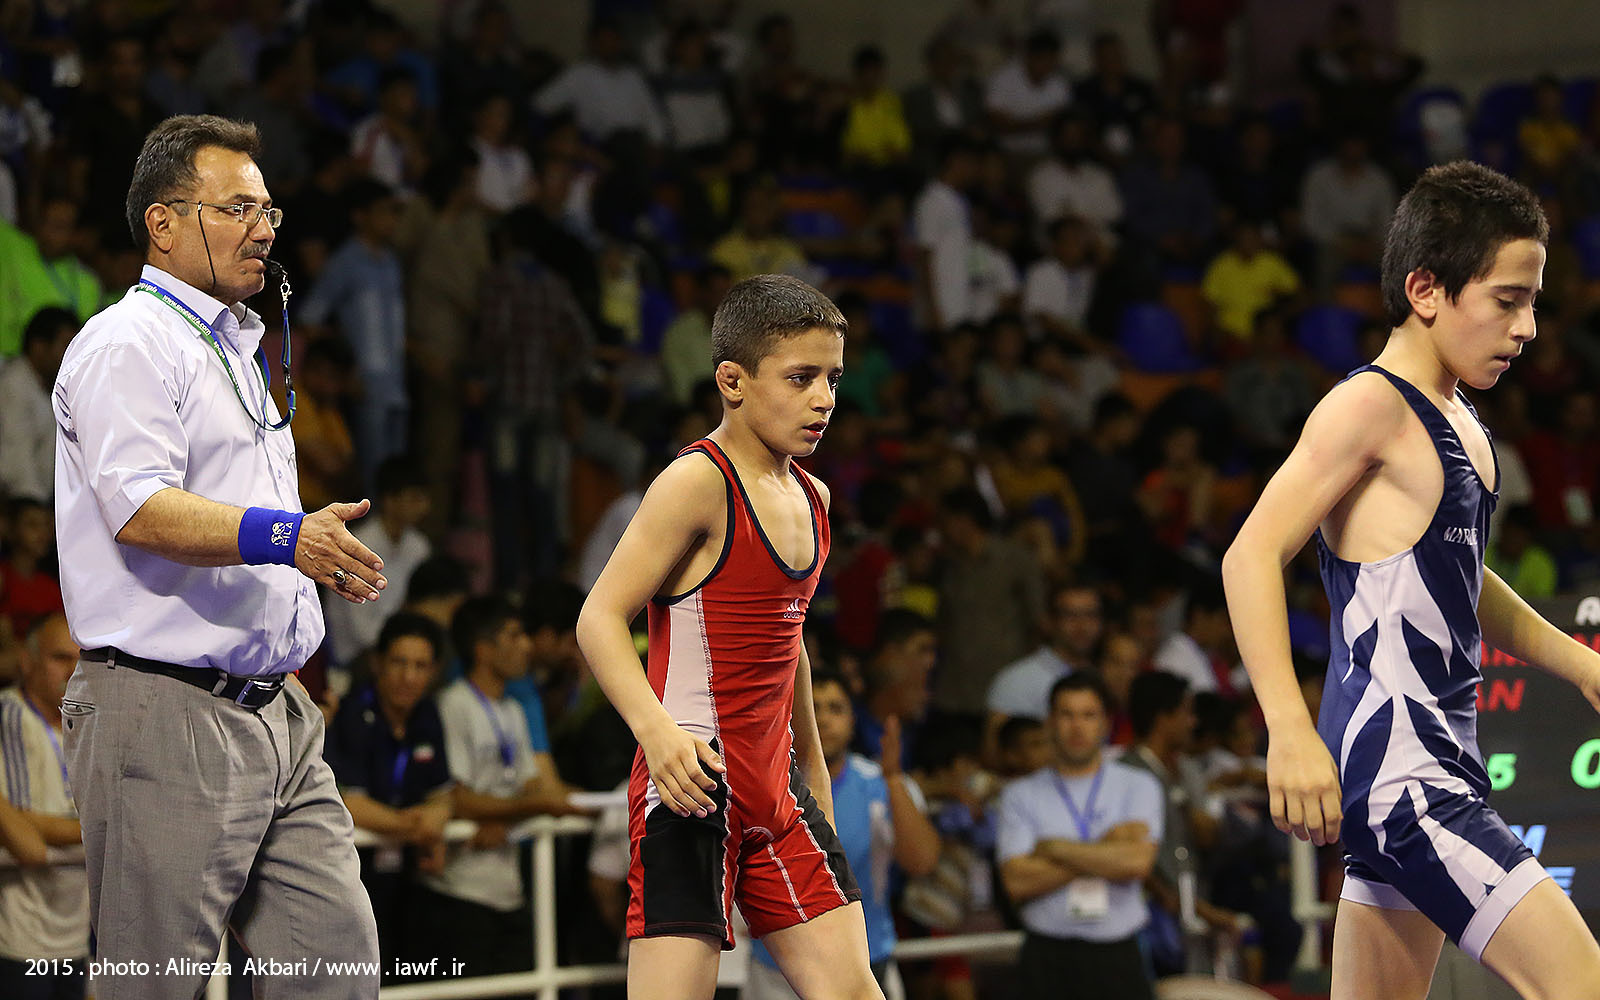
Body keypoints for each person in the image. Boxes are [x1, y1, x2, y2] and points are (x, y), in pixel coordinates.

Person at [1221, 161, 1600, 1000]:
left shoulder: (1464, 421)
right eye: (1507, 300)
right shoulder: (1370, 407)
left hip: (1434, 767)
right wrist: (1288, 730)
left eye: (1534, 302)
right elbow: (1249, 555)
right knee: (1581, 984)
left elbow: (1460, 580)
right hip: (1407, 779)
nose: (1528, 328)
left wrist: (1580, 663)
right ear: (1426, 290)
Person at [52, 114, 385, 1000]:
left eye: (267, 209)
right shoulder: (127, 342)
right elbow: (138, 507)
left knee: (336, 964)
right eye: (237, 208)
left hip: (279, 713)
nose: (264, 227)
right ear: (163, 223)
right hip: (164, 708)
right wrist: (289, 535)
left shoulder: (235, 343)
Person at [576, 274, 882, 1000]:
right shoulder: (697, 482)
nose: (824, 399)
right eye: (801, 378)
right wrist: (656, 734)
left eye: (833, 379)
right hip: (692, 787)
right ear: (732, 381)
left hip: (778, 791)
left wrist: (814, 767)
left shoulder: (814, 496)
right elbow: (598, 618)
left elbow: (787, 638)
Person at [417, 595, 585, 978]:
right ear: (483, 649)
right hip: (459, 891)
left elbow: (531, 787)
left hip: (509, 889)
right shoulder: (452, 705)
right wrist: (537, 805)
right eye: (514, 635)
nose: (526, 645)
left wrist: (520, 811)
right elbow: (458, 799)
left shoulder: (513, 710)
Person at [746, 670, 940, 1000]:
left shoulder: (879, 784)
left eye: (835, 708)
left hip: (865, 967)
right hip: (774, 972)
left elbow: (922, 862)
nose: (823, 718)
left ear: (853, 720)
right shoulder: (759, 784)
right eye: (813, 707)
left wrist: (893, 779)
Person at [995, 672, 1162, 1000]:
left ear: (1106, 723)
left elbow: (1136, 864)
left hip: (1117, 952)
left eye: (1088, 715)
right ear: (1050, 722)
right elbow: (1017, 881)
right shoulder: (1020, 793)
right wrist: (1107, 846)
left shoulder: (1137, 784)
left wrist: (1053, 848)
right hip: (1046, 953)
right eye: (1067, 715)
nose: (1077, 727)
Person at [323, 612, 453, 984]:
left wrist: (434, 820)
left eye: (420, 666)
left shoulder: (427, 714)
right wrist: (415, 828)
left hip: (406, 884)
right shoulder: (350, 713)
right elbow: (347, 803)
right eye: (399, 662)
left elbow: (444, 796)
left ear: (433, 672)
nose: (408, 676)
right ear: (378, 662)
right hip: (348, 883)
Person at [0, 613, 87, 999]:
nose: (73, 671)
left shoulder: (89, 725)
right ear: (27, 661)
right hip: (21, 938)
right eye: (60, 658)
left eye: (80, 659)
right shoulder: (11, 715)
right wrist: (99, 830)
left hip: (75, 936)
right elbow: (26, 839)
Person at [323, 456, 433, 671]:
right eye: (414, 498)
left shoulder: (419, 546)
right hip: (356, 658)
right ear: (389, 500)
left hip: (402, 646)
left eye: (424, 498)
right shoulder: (357, 546)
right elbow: (361, 632)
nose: (423, 506)